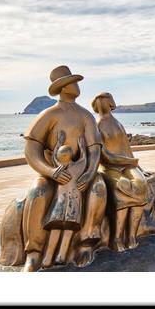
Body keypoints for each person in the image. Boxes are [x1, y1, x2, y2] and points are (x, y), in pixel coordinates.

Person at [21, 65, 107, 271]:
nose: (77, 86)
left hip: (81, 172)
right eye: (74, 83)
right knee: (37, 190)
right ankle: (33, 253)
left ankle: (86, 243)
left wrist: (90, 171)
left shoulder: (85, 116)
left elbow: (94, 149)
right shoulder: (48, 115)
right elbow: (31, 150)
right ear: (64, 87)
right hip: (55, 172)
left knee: (98, 187)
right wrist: (50, 172)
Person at [92, 91, 150, 251]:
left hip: (128, 165)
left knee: (140, 184)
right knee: (123, 186)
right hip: (110, 167)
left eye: (105, 100)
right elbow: (104, 154)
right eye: (101, 100)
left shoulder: (117, 123)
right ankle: (116, 238)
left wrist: (138, 167)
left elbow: (127, 148)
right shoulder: (96, 125)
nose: (103, 103)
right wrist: (127, 161)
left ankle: (131, 235)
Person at [41, 135, 93, 268]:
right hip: (73, 204)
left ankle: (48, 256)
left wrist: (59, 142)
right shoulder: (78, 167)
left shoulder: (58, 168)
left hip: (60, 203)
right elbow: (85, 158)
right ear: (70, 155)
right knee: (69, 229)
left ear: (60, 156)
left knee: (56, 228)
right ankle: (61, 255)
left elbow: (53, 157)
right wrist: (82, 146)